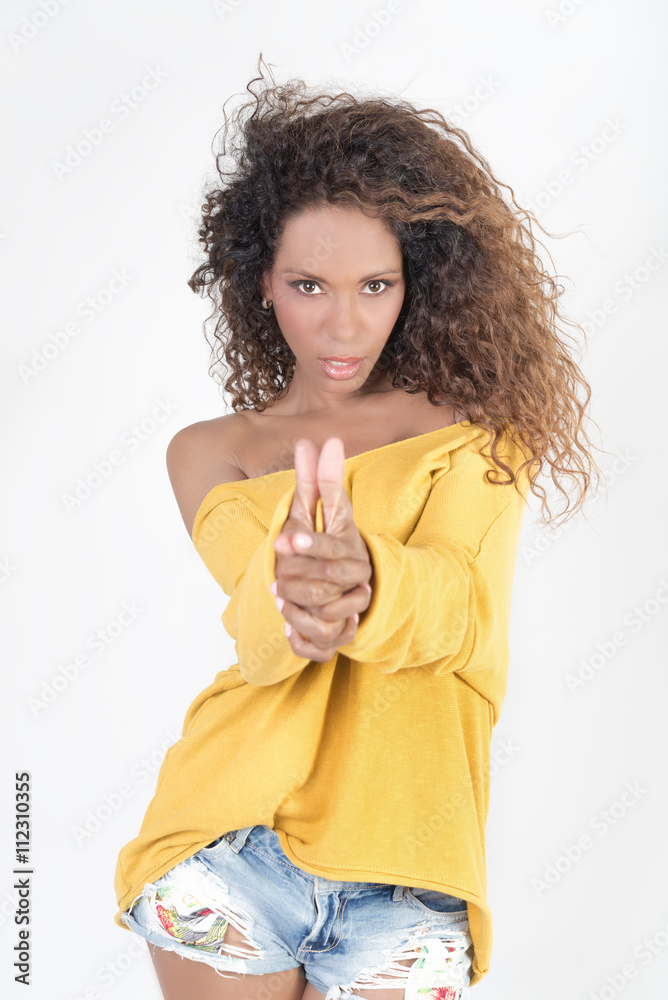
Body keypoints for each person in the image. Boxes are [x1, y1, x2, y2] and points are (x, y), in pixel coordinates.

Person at [113, 56, 605, 1000]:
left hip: (410, 873)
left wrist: (367, 573)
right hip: (230, 841)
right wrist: (300, 595)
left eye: (375, 286)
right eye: (310, 286)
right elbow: (261, 636)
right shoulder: (209, 451)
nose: (343, 326)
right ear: (261, 281)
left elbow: (462, 612)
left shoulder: (475, 429)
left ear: (417, 282)